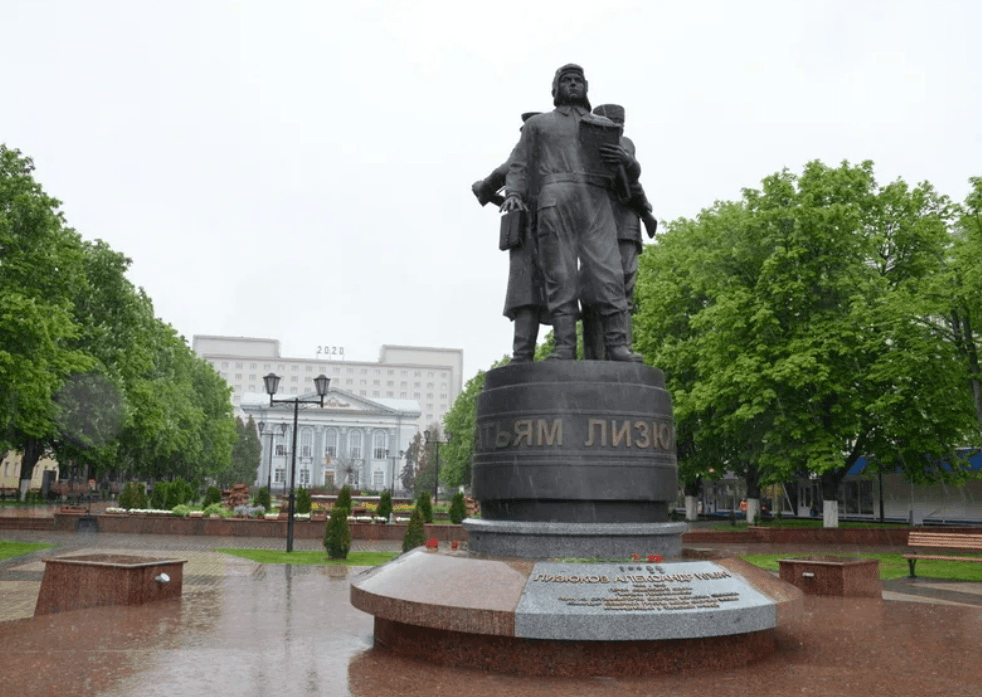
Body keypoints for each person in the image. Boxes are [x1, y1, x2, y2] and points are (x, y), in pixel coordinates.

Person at [501, 64, 641, 362]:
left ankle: (617, 345)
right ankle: (565, 346)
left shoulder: (602, 125)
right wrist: (513, 193)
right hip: (555, 197)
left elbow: (626, 179)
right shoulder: (539, 125)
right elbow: (519, 165)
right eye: (567, 80)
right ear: (555, 89)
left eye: (579, 80)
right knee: (560, 274)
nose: (574, 85)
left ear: (586, 87)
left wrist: (626, 161)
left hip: (595, 200)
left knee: (609, 272)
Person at [472, 112, 549, 363]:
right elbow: (492, 183)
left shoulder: (523, 157)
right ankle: (533, 353)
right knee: (534, 292)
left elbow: (485, 187)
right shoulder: (536, 155)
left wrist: (486, 190)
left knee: (530, 292)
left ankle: (525, 354)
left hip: (537, 231)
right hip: (539, 231)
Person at [580, 104, 655, 360]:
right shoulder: (581, 146)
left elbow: (632, 182)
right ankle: (595, 354)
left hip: (624, 225)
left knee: (623, 290)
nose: (618, 127)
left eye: (620, 123)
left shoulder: (625, 144)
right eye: (612, 122)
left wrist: (645, 213)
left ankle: (623, 349)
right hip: (595, 226)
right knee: (593, 291)